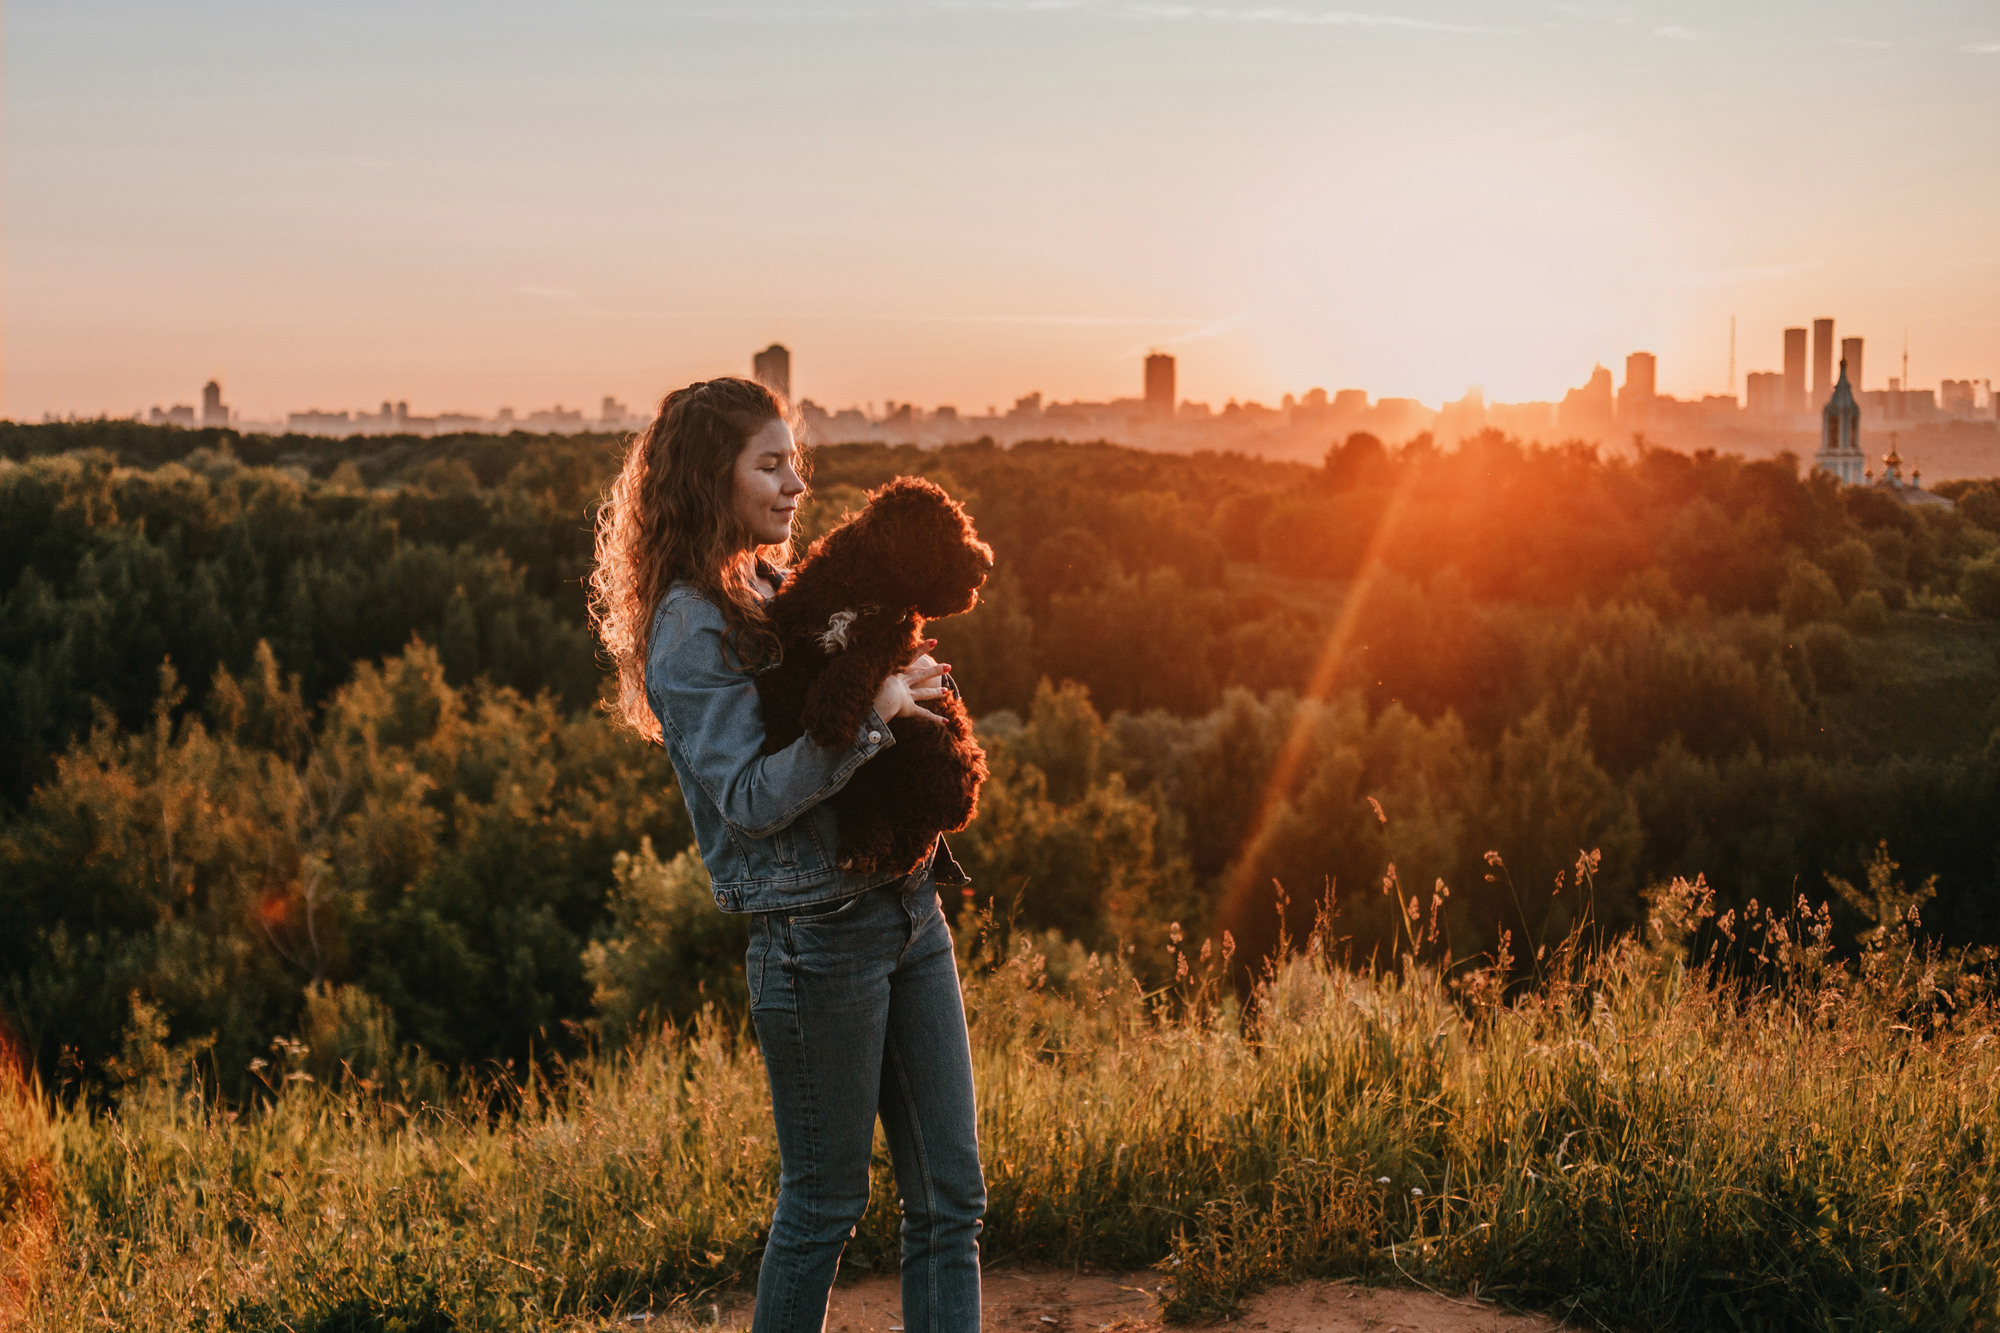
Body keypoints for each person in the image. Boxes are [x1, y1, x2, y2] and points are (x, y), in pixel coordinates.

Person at [587, 376, 987, 1333]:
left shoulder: (767, 580)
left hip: (906, 904)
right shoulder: (685, 626)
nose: (795, 484)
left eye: (793, 460)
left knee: (951, 1199)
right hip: (817, 938)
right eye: (769, 464)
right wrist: (876, 716)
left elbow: (837, 678)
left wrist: (904, 685)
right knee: (823, 1209)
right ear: (704, 480)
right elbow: (752, 799)